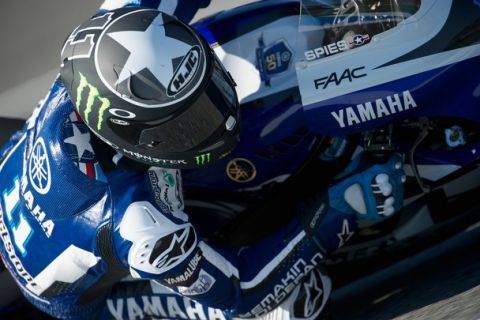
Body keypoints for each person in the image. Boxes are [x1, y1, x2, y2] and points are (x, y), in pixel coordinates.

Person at [0, 0, 405, 319]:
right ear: (136, 137)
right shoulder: (139, 222)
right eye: (187, 123)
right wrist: (336, 213)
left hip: (13, 168)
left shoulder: (106, 41)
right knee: (293, 308)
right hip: (76, 297)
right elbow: (240, 292)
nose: (220, 116)